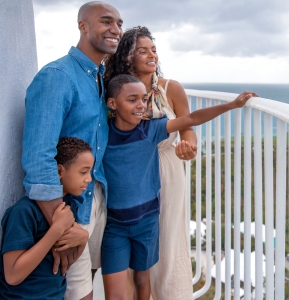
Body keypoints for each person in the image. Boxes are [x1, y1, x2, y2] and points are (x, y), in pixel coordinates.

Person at [101, 74, 256, 300]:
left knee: (142, 280)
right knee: (114, 294)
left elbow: (191, 118)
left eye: (143, 100)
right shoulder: (102, 134)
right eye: (132, 100)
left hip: (146, 223)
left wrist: (232, 105)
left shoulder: (150, 130)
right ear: (112, 104)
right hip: (115, 226)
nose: (140, 106)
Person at [21, 2, 123, 299]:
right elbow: (38, 158)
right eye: (106, 21)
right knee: (78, 294)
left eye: (118, 23)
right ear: (83, 26)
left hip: (94, 198)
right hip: (67, 210)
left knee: (87, 285)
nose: (115, 29)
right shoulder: (58, 76)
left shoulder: (96, 79)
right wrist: (65, 226)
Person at [103, 26, 197, 299]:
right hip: (131, 174)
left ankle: (171, 294)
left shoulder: (171, 88)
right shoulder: (117, 89)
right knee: (130, 250)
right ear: (127, 56)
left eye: (153, 49)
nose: (151, 55)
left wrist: (189, 146)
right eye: (142, 51)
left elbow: (187, 124)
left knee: (168, 238)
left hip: (167, 168)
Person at [0, 137, 92, 299]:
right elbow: (12, 276)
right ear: (60, 171)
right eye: (83, 172)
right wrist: (55, 231)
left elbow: (64, 264)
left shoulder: (68, 207)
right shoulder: (24, 212)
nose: (89, 179)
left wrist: (83, 240)